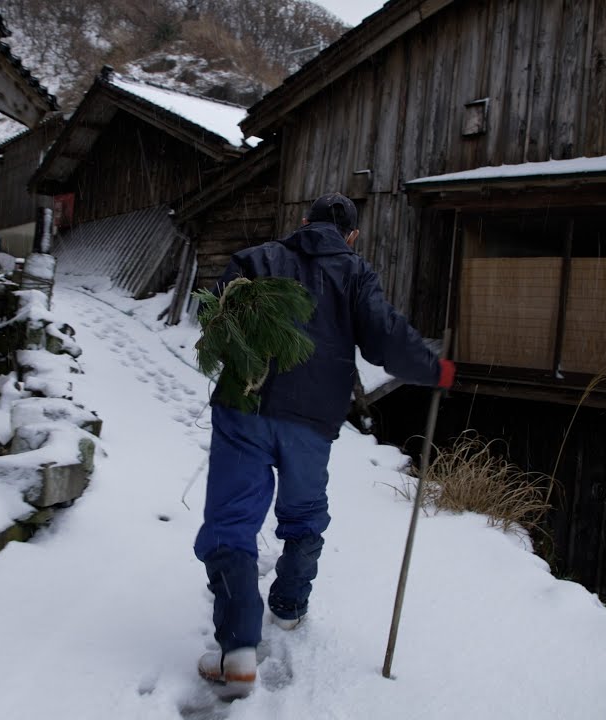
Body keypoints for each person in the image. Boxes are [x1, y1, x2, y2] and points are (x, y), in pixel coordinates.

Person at [194, 192, 456, 696]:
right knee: (304, 509)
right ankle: (289, 607)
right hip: (311, 419)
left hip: (243, 406)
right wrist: (435, 369)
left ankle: (238, 651)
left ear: (303, 222)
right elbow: (385, 339)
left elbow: (215, 316)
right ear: (351, 236)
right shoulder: (355, 274)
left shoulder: (258, 258)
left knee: (232, 520)